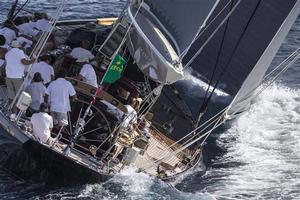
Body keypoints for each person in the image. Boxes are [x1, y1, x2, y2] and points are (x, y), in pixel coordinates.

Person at [5, 40, 35, 115]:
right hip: (17, 77)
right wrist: (32, 60)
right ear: (19, 47)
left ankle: (12, 112)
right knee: (19, 96)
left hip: (8, 76)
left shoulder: (8, 53)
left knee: (11, 96)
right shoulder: (20, 52)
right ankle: (17, 113)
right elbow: (24, 62)